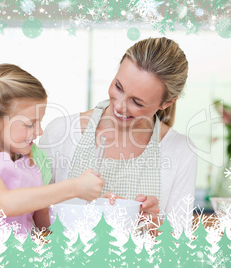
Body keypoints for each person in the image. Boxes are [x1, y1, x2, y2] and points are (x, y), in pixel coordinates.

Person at [39, 37, 197, 232]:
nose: (120, 106)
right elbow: (32, 218)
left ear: (166, 103)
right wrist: (85, 209)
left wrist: (156, 227)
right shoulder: (60, 132)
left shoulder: (181, 151)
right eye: (118, 87)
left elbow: (179, 246)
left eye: (137, 103)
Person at [0, 64, 104, 237]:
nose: (39, 131)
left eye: (40, 122)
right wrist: (74, 186)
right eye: (30, 124)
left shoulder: (37, 158)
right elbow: (5, 203)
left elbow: (44, 224)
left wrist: (99, 208)